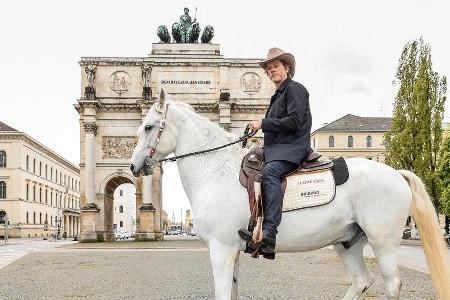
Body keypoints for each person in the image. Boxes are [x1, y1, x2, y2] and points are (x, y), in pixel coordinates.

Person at [238, 47, 312, 257]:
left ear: (286, 68)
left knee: (270, 173)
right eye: (269, 68)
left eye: (276, 66)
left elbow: (294, 121)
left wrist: (262, 123)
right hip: (278, 149)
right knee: (251, 164)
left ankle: (269, 233)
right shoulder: (277, 95)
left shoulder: (295, 89)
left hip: (292, 149)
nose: (272, 71)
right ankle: (255, 227)